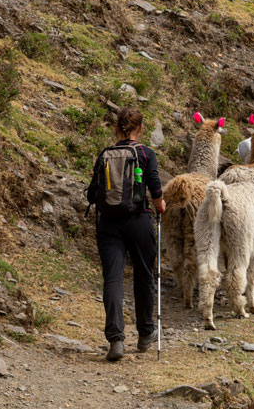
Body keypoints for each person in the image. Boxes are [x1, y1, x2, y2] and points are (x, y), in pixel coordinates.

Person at [86, 107, 166, 362]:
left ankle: (116, 340)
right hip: (139, 222)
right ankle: (145, 334)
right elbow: (156, 191)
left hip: (109, 224)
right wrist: (161, 206)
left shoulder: (105, 155)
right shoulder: (145, 153)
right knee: (143, 276)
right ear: (140, 129)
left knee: (113, 279)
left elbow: (91, 194)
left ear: (117, 128)